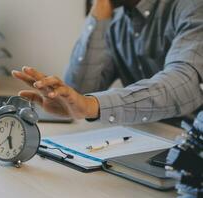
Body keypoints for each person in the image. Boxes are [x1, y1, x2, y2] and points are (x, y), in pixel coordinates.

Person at [12, 0, 203, 125]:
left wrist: (90, 105)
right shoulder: (116, 19)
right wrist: (97, 15)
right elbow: (79, 94)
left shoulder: (193, 7)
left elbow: (185, 83)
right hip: (147, 139)